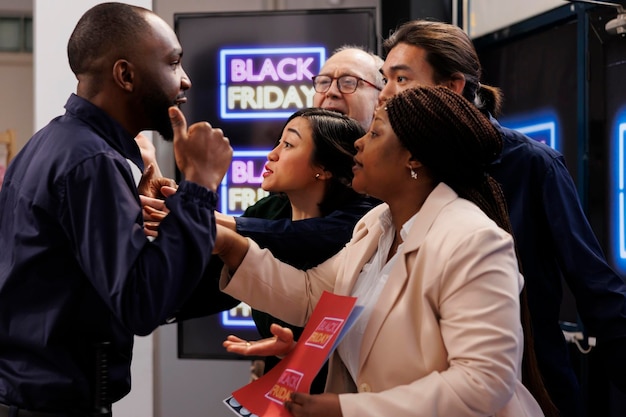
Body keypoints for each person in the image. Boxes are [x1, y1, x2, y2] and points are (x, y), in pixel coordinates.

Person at [218, 86, 546, 417]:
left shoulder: (473, 241)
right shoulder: (376, 224)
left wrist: (347, 409)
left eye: (375, 133)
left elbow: (483, 382)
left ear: (413, 158)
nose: (359, 142)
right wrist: (230, 246)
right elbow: (311, 296)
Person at [377, 19, 626, 417]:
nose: (385, 94)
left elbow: (595, 286)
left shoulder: (532, 164)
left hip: (530, 388)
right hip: (421, 395)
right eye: (384, 78)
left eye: (401, 79)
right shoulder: (402, 168)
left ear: (453, 86)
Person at [0, 3, 232, 415]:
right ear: (125, 75)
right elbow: (141, 303)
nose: (185, 79)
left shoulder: (53, 143)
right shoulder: (91, 162)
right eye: (173, 62)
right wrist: (200, 184)